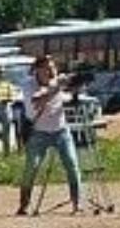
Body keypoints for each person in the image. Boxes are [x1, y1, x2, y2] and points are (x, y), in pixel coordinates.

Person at [16, 55, 83, 215]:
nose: (51, 71)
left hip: (60, 130)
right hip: (38, 132)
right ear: (38, 70)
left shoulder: (57, 81)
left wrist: (75, 88)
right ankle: (24, 204)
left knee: (72, 165)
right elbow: (36, 102)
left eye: (53, 67)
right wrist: (56, 87)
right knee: (31, 168)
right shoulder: (28, 85)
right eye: (47, 68)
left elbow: (67, 98)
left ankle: (77, 203)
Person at [0, 67, 21, 156]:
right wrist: (1, 99)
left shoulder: (8, 84)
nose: (1, 74)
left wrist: (8, 99)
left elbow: (13, 96)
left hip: (6, 108)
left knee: (6, 130)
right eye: (0, 72)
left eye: (2, 72)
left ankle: (7, 152)